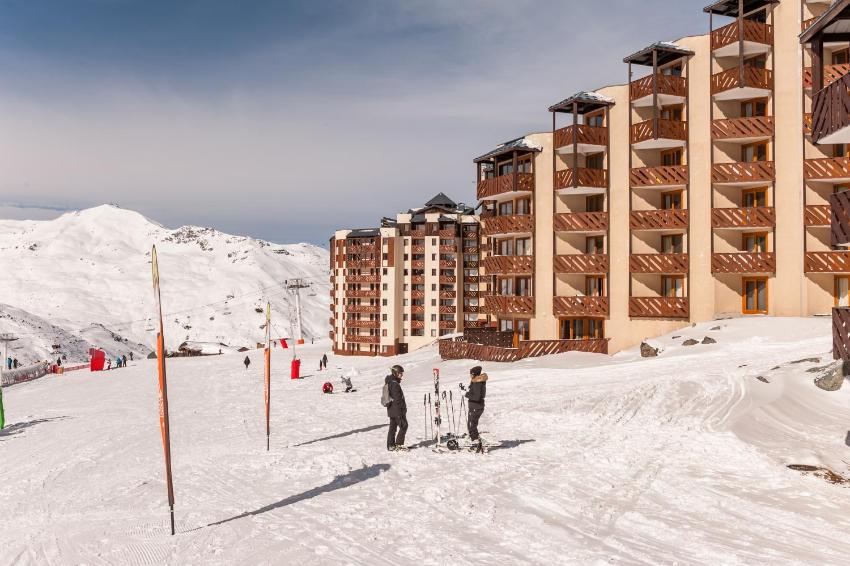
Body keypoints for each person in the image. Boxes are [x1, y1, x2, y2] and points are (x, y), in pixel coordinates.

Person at [385, 365, 408, 451]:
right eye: (400, 373)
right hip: (397, 410)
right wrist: (403, 410)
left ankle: (390, 445)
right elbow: (398, 400)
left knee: (393, 428)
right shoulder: (394, 384)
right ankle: (398, 444)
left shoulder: (390, 382)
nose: (401, 375)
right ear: (395, 373)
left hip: (391, 410)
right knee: (404, 426)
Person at [465, 366, 488, 451]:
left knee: (472, 426)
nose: (470, 375)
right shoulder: (476, 381)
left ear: (474, 374)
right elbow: (474, 392)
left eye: (471, 374)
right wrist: (466, 391)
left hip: (476, 406)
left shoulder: (477, 383)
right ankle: (476, 441)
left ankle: (476, 442)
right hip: (474, 406)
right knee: (471, 425)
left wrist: (465, 394)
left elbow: (476, 397)